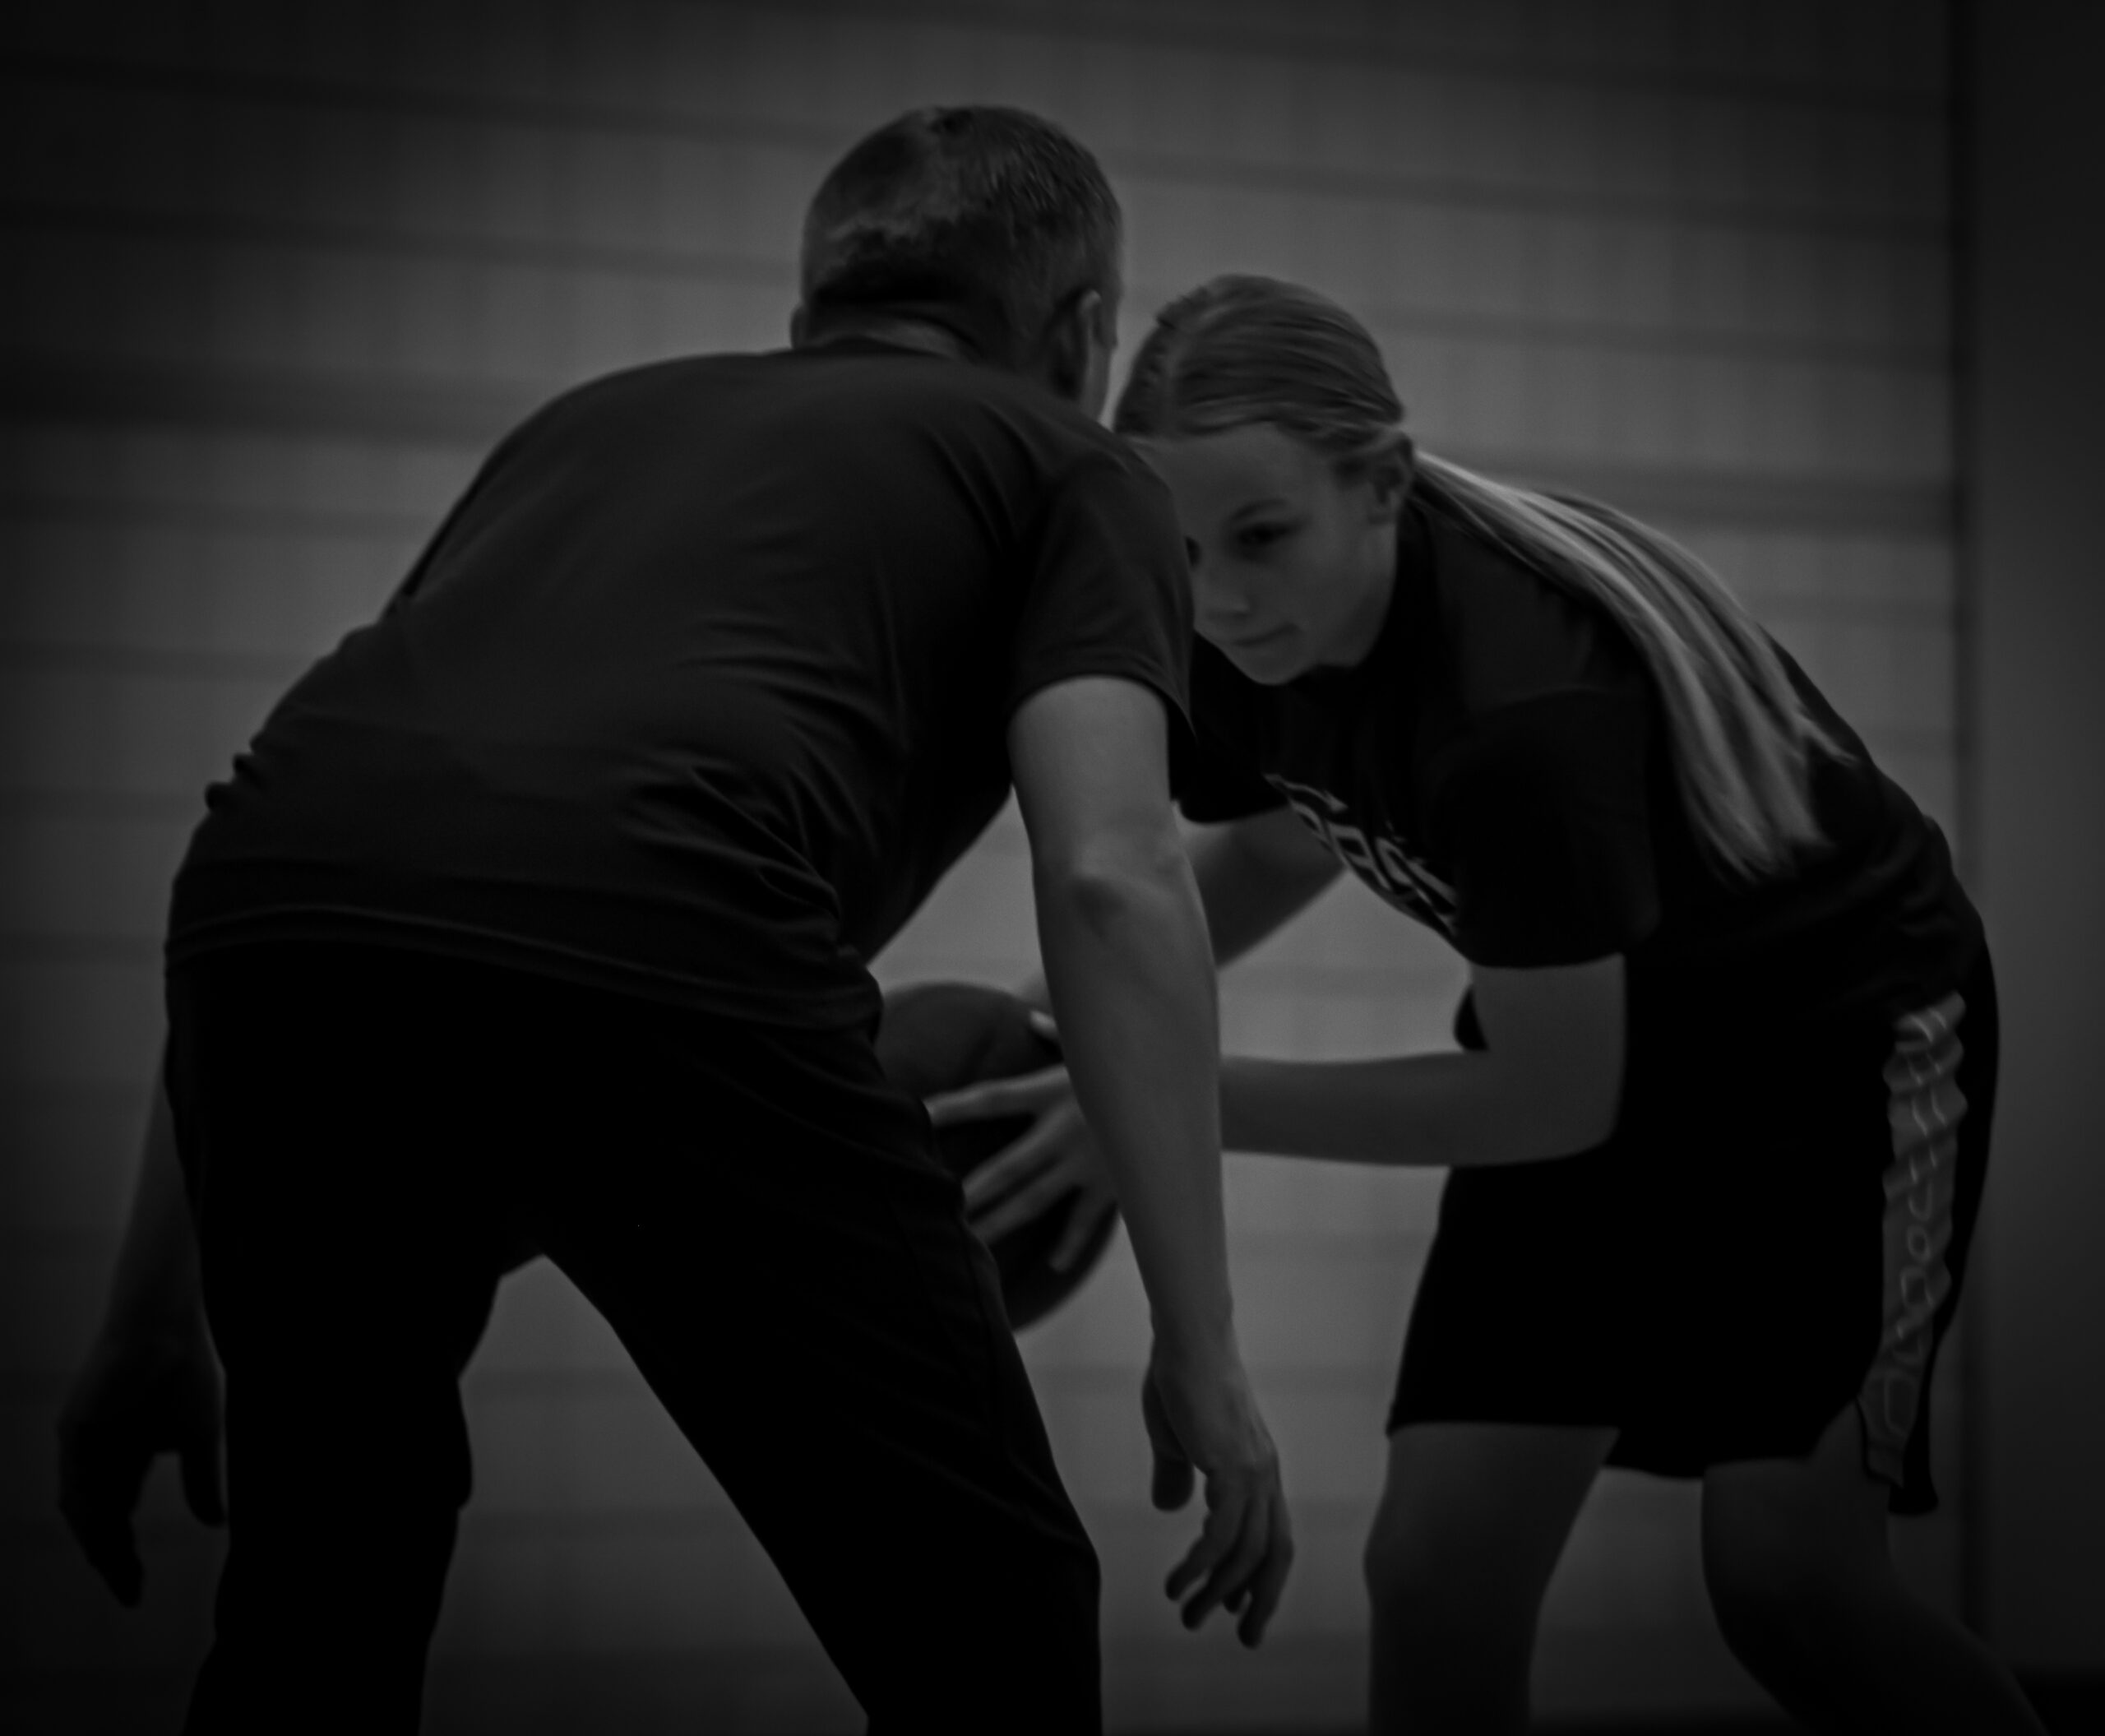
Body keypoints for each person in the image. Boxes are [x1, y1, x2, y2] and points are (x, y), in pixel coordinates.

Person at [53, 113, 1295, 1734]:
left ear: (807, 314)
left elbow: (347, 836)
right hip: (655, 916)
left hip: (269, 936)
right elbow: (1112, 873)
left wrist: (152, 1310)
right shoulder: (1069, 460)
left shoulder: (583, 426)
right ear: (1083, 333)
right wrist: (1202, 1350)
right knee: (988, 1618)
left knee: (323, 1598)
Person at [940, 275, 2047, 1735]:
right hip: (1588, 1045)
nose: (1217, 594)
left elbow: (1547, 1103)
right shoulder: (1247, 633)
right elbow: (1279, 842)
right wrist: (1060, 1023)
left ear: (1382, 484)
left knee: (1789, 1582)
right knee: (1436, 1577)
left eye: (1262, 536)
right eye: (1182, 548)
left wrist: (1160, 1097)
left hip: (1831, 1062)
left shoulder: (1522, 709)